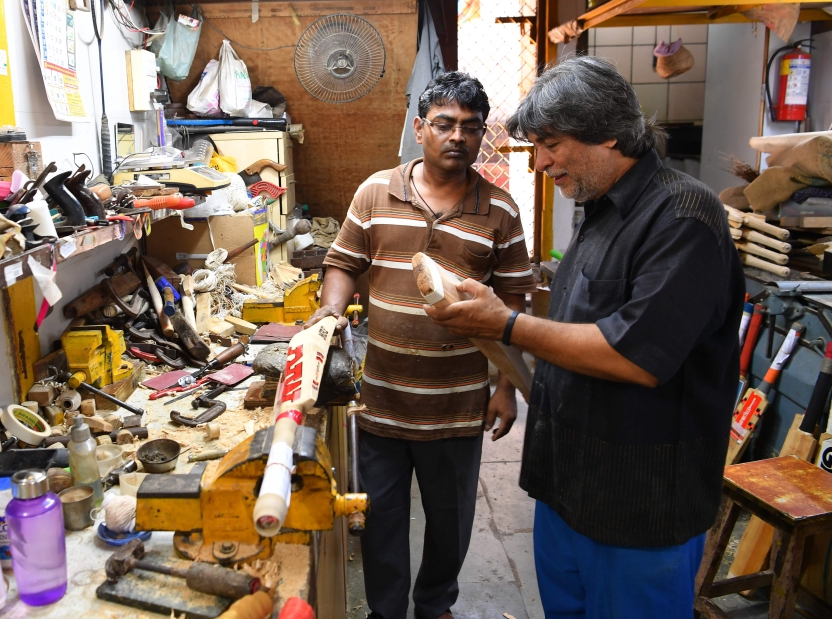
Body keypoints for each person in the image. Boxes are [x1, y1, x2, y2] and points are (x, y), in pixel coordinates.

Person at [424, 55, 743, 618]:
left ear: (610, 134)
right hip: (568, 488)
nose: (541, 162)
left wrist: (504, 323)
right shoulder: (598, 208)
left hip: (638, 507)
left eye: (552, 144)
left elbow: (635, 356)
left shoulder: (684, 217)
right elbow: (574, 328)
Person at [310, 71, 535, 619]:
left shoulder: (499, 211)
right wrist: (330, 312)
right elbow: (343, 263)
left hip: (458, 405)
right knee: (383, 518)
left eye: (471, 127)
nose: (458, 136)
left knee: (451, 520)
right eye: (445, 124)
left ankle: (435, 605)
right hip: (383, 399)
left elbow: (514, 307)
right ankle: (386, 612)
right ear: (419, 128)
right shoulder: (374, 192)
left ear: (484, 136)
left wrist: (506, 389)